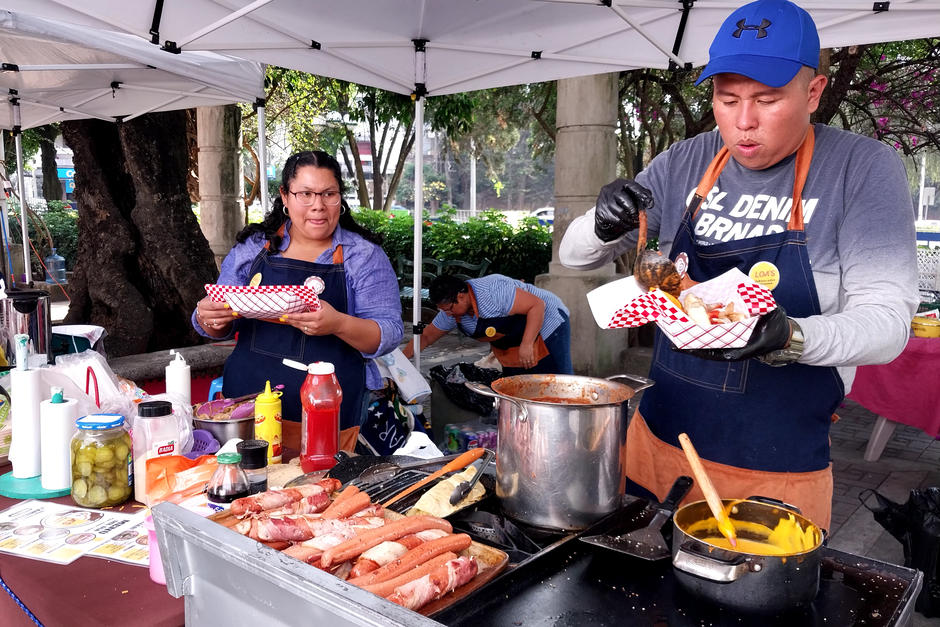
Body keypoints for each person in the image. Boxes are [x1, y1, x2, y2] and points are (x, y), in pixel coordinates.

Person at [559, 0, 918, 529]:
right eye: (727, 100)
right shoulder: (685, 161)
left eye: (766, 100)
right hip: (657, 443)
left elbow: (888, 324)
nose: (743, 122)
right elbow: (573, 257)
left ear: (813, 92)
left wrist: (790, 337)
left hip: (774, 468)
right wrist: (601, 221)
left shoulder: (860, 169)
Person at [193, 150, 403, 430]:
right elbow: (218, 323)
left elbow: (389, 333)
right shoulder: (253, 247)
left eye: (328, 194)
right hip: (248, 403)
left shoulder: (362, 255)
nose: (318, 206)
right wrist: (210, 317)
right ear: (285, 195)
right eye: (305, 194)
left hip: (329, 410)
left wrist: (338, 323)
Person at [402, 274, 573, 376]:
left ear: (461, 296)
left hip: (549, 320)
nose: (447, 314)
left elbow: (536, 305)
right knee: (517, 386)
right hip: (514, 338)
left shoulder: (493, 290)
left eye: (449, 309)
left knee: (557, 380)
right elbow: (426, 337)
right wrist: (399, 362)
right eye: (443, 310)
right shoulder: (451, 312)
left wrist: (527, 344)